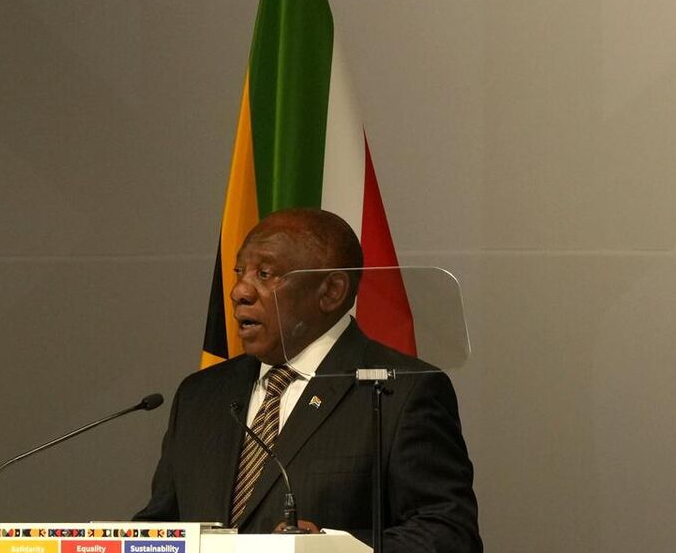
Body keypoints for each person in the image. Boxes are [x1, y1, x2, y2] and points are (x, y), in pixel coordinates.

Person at [135, 207, 482, 548]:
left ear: (331, 291)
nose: (239, 291)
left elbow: (449, 534)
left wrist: (332, 549)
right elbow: (161, 528)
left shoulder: (401, 390)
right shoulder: (200, 394)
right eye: (240, 272)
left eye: (265, 274)